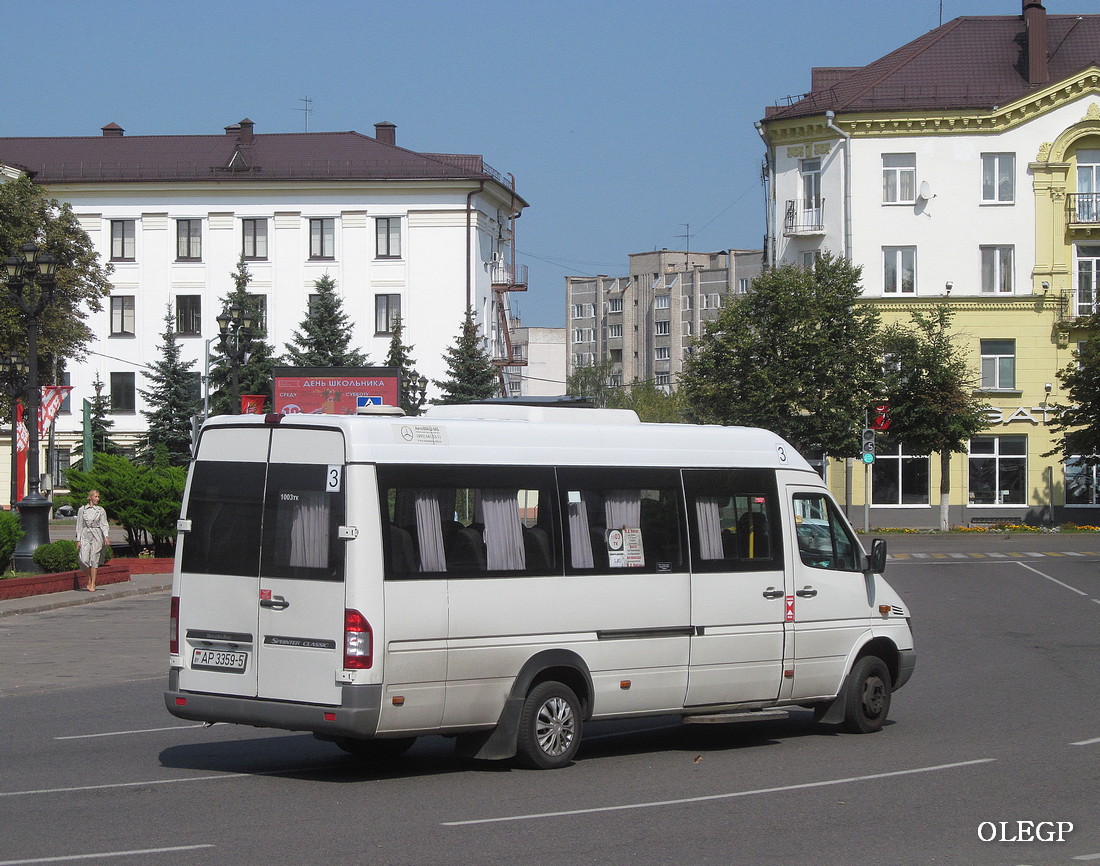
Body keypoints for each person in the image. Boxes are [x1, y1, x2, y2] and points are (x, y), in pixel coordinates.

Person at [76, 489, 110, 591]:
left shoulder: (100, 510)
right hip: (85, 534)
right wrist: (78, 540)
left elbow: (104, 524)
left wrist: (106, 536)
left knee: (94, 559)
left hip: (97, 534)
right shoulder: (82, 510)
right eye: (95, 497)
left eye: (98, 497)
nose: (97, 499)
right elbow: (79, 525)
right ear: (90, 497)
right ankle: (89, 578)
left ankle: (93, 583)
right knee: (83, 559)